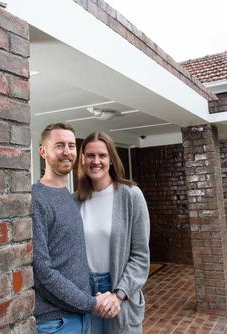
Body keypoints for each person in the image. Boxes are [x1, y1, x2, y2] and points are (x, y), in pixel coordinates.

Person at [32, 123, 113, 334]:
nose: (67, 151)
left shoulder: (71, 197)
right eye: (59, 145)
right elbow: (43, 273)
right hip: (56, 322)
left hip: (79, 315)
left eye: (71, 145)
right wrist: (92, 304)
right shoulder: (36, 199)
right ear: (43, 151)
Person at [76, 131, 150, 334]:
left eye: (102, 155)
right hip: (86, 294)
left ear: (111, 160)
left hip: (119, 291)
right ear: (82, 159)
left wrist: (119, 295)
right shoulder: (75, 200)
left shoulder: (131, 196)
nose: (96, 161)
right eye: (90, 155)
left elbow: (141, 257)